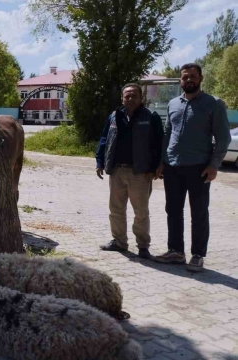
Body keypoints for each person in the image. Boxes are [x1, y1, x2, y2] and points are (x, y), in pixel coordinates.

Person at [154, 63, 231, 272]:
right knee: (173, 211)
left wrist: (214, 165)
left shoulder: (213, 104)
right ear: (180, 80)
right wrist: (162, 162)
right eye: (185, 77)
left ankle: (198, 255)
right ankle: (176, 252)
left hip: (199, 168)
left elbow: (223, 138)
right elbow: (167, 135)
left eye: (193, 76)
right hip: (172, 167)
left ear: (201, 78)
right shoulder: (173, 104)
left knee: (198, 213)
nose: (189, 80)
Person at [95, 83, 164, 259]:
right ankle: (119, 242)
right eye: (127, 96)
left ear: (141, 98)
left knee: (141, 212)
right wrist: (100, 161)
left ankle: (143, 246)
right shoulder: (114, 116)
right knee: (116, 210)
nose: (130, 99)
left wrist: (155, 167)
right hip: (117, 171)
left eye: (134, 95)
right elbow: (104, 139)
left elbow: (158, 144)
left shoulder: (150, 117)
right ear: (122, 98)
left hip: (140, 173)